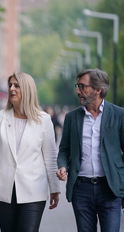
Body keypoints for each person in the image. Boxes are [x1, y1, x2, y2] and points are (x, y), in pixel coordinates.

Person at [0, 72, 60, 232]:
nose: (11, 89)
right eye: (10, 85)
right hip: (3, 189)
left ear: (28, 90)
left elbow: (50, 157)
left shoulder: (43, 120)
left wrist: (55, 188)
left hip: (34, 191)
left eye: (17, 85)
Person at [56, 69, 124, 232]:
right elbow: (64, 149)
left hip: (110, 188)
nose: (78, 91)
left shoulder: (119, 114)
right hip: (81, 189)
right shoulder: (72, 117)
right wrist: (62, 165)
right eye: (77, 86)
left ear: (98, 89)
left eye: (82, 86)